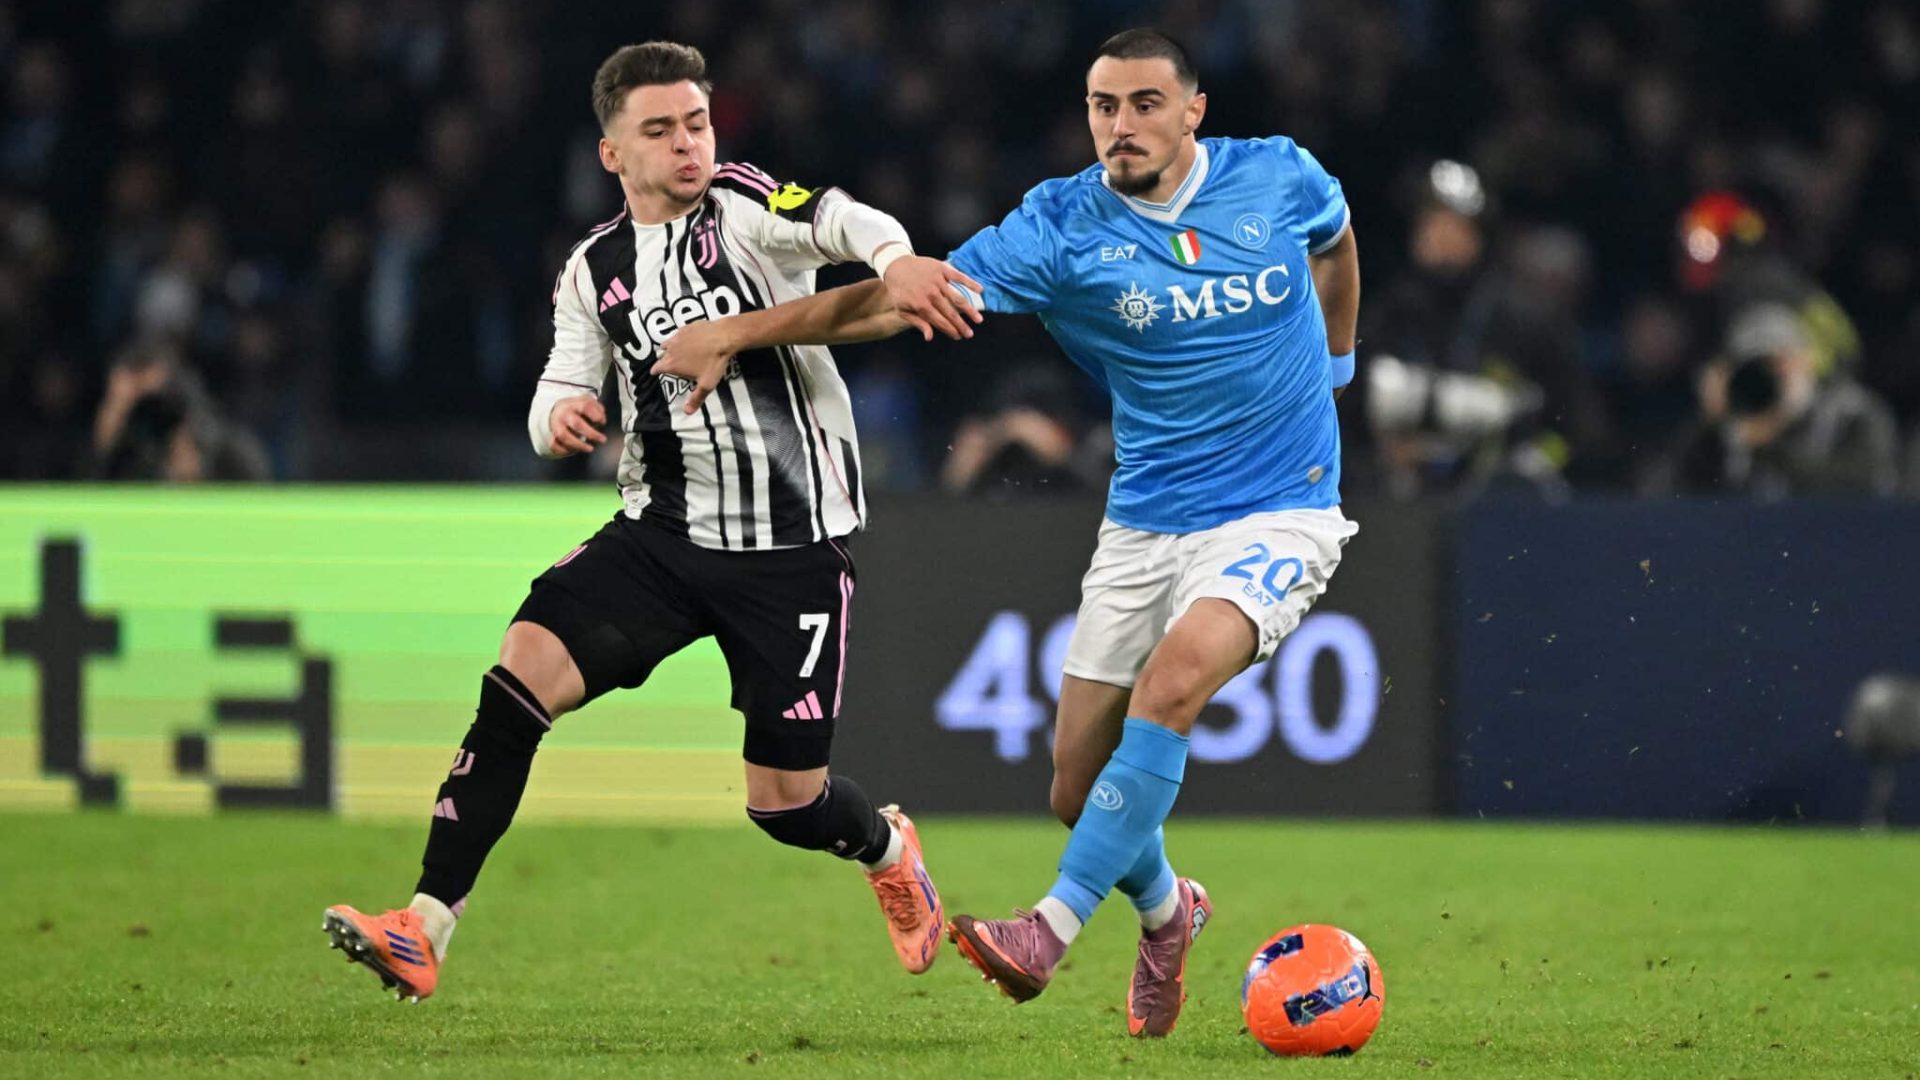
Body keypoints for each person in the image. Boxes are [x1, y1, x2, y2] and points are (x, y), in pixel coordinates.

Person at [653, 29, 1361, 1039]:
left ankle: (1049, 930)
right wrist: (731, 331)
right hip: (1148, 516)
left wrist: (1338, 363)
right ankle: (1171, 914)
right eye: (1103, 106)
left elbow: (1336, 241)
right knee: (1078, 788)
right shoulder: (1061, 228)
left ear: (1194, 110)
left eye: (1146, 104)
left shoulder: (1278, 176)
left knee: (1173, 681)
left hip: (1283, 503)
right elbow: (903, 304)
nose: (1122, 126)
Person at [320, 41, 983, 1002]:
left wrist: (894, 258)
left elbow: (842, 217)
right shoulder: (595, 268)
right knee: (517, 680)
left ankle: (885, 846)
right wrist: (561, 421)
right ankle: (424, 927)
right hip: (660, 540)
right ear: (612, 155)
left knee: (785, 804)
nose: (688, 146)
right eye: (660, 130)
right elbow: (559, 383)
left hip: (788, 554)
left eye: (698, 123)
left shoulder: (747, 207)